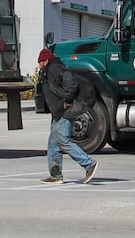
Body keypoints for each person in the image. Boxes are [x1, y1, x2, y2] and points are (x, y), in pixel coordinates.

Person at [36, 46, 99, 185]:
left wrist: (67, 100)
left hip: (65, 111)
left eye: (40, 62)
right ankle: (55, 175)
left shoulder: (55, 68)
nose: (39, 65)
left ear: (45, 60)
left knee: (62, 140)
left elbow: (71, 83)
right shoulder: (50, 70)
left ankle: (89, 164)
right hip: (58, 112)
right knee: (53, 143)